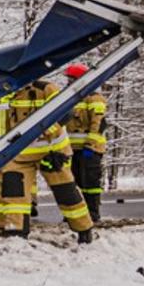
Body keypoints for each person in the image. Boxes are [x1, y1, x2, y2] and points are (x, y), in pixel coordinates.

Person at [0, 78, 94, 242]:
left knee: (65, 191)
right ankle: (16, 232)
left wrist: (46, 130)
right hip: (18, 154)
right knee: (14, 194)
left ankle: (84, 229)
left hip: (51, 152)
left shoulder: (46, 89)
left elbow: (66, 112)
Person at [60, 63, 107, 222]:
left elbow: (97, 124)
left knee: (90, 181)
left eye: (71, 79)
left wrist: (90, 145)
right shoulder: (71, 98)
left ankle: (93, 213)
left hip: (90, 149)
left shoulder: (95, 98)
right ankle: (77, 215)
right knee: (74, 182)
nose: (68, 82)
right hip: (72, 149)